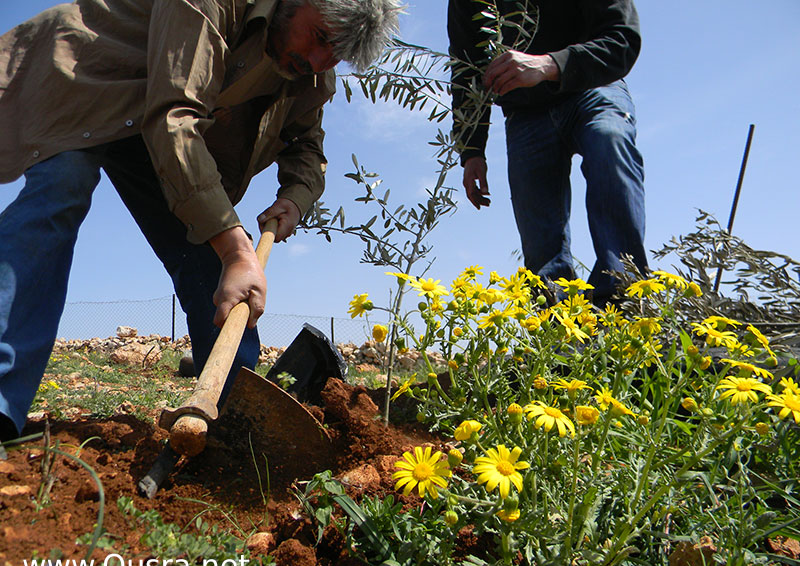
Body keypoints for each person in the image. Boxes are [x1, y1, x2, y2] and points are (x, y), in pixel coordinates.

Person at [0, 0, 402, 443]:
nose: (318, 60)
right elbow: (174, 115)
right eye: (321, 38)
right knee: (60, 190)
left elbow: (306, 144)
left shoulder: (311, 72)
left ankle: (230, 421)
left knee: (214, 262)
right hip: (92, 76)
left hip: (162, 128)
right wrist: (234, 247)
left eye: (336, 54)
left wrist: (294, 198)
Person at [448, 0, 648, 305]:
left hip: (593, 86)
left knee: (609, 139)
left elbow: (622, 39)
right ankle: (555, 330)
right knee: (541, 246)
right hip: (525, 113)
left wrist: (549, 65)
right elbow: (467, 67)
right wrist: (472, 149)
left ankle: (621, 302)